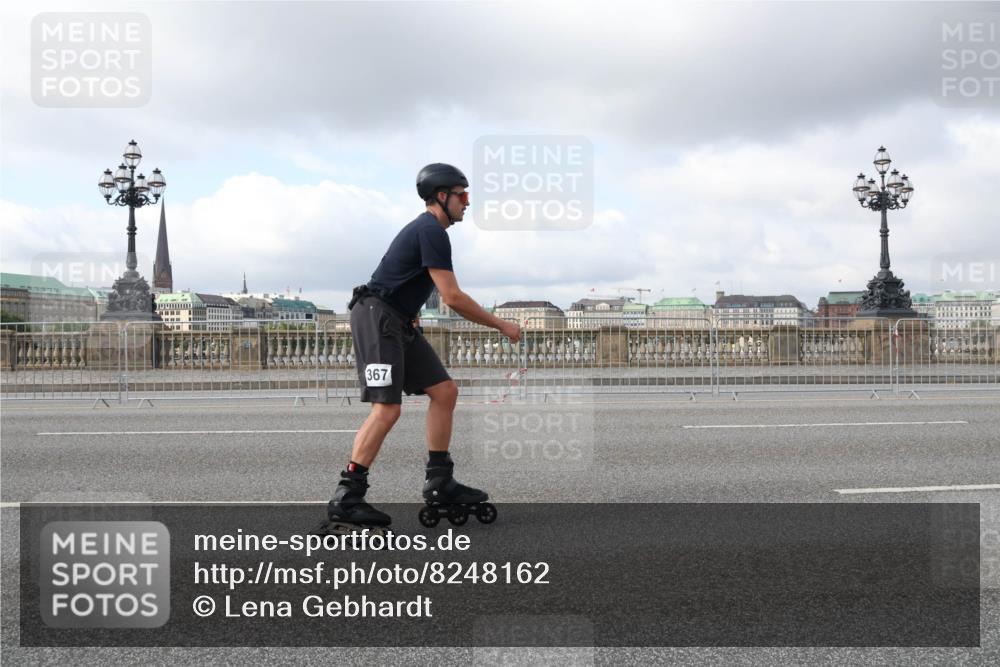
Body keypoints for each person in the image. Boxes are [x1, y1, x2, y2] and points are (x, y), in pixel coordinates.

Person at [328, 163, 522, 526]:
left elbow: (400, 276)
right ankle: (348, 495)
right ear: (442, 196)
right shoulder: (431, 229)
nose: (467, 202)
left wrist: (410, 311)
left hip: (398, 319)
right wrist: (501, 324)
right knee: (387, 409)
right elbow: (452, 297)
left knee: (445, 391)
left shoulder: (430, 230)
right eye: (462, 195)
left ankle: (440, 480)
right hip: (378, 318)